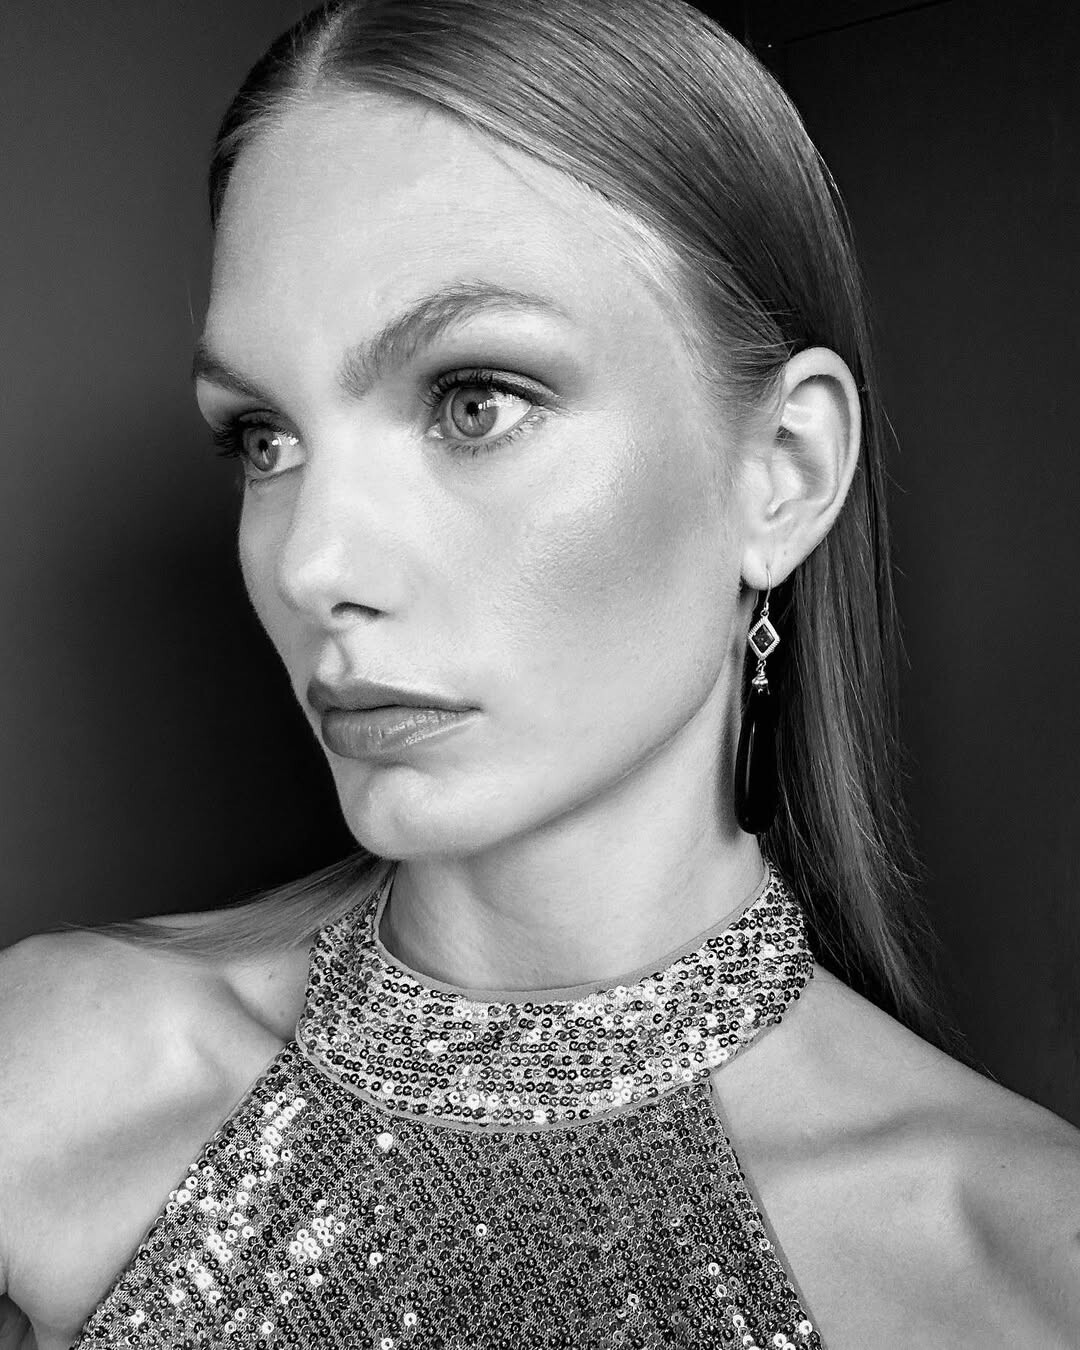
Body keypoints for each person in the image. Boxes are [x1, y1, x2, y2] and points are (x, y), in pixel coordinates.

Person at [2, 0, 1078, 1346]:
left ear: (783, 471)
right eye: (266, 439)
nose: (313, 562)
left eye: (476, 401)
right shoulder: (48, 1082)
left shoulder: (1021, 1272)